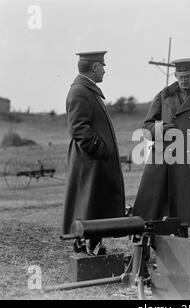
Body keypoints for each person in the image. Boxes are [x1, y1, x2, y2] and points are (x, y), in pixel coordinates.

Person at [132, 58, 190, 229]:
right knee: (153, 213)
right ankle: (149, 246)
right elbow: (146, 127)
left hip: (189, 164)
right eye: (180, 76)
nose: (184, 80)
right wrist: (164, 129)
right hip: (161, 162)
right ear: (175, 75)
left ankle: (181, 248)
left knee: (185, 217)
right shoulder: (163, 96)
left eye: (188, 76)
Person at [63, 51, 125, 255]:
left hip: (92, 162)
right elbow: (78, 129)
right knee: (87, 205)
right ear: (95, 67)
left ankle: (91, 245)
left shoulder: (86, 89)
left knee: (93, 205)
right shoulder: (80, 91)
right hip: (89, 162)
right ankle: (85, 245)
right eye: (103, 66)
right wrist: (100, 149)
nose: (105, 70)